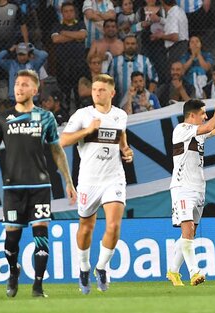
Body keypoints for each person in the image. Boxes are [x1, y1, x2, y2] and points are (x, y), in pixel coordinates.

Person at [0, 69, 77, 298]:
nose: (19, 88)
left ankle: (38, 286)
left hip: (40, 187)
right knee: (11, 241)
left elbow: (57, 150)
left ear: (35, 90)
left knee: (41, 237)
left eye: (24, 85)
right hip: (13, 188)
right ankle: (13, 271)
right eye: (17, 84)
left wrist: (68, 181)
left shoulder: (46, 117)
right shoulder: (2, 118)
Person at [60, 74, 133, 294]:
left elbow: (121, 137)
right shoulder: (83, 115)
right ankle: (84, 268)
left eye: (101, 90)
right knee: (86, 227)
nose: (97, 93)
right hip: (89, 181)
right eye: (94, 89)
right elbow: (63, 141)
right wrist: (87, 131)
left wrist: (125, 150)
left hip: (114, 178)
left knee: (113, 225)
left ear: (112, 93)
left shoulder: (120, 115)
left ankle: (102, 267)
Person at [166, 85, 215, 287]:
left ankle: (173, 271)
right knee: (188, 229)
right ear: (191, 116)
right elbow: (210, 126)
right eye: (202, 114)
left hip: (199, 187)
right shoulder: (182, 129)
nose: (205, 117)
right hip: (183, 187)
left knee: (188, 233)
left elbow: (214, 129)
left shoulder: (197, 132)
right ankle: (194, 272)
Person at [51, 2, 88, 111]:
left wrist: (64, 33)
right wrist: (75, 36)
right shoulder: (56, 25)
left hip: (79, 64)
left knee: (79, 93)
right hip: (62, 65)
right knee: (64, 93)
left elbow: (82, 35)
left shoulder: (80, 24)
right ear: (62, 13)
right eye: (66, 11)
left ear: (75, 13)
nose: (68, 14)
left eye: (71, 11)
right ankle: (65, 115)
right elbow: (56, 39)